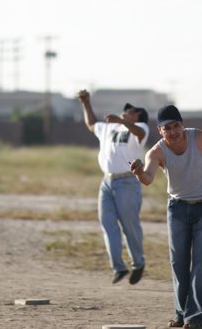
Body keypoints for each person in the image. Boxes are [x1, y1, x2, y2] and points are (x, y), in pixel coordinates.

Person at [130, 104, 202, 329]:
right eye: (167, 128)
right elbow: (148, 177)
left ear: (182, 125)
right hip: (178, 210)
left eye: (176, 126)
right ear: (160, 130)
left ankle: (195, 318)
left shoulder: (200, 139)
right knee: (179, 264)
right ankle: (180, 315)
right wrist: (138, 173)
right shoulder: (155, 152)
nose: (173, 132)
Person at [78, 89, 149, 285]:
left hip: (127, 181)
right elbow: (92, 124)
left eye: (131, 110)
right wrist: (86, 103)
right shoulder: (110, 128)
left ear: (138, 116)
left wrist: (122, 121)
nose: (126, 111)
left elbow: (140, 132)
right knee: (108, 224)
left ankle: (138, 262)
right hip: (107, 181)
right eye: (125, 111)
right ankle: (118, 267)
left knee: (129, 225)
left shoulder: (139, 127)